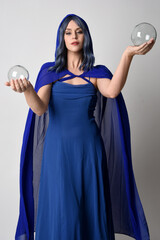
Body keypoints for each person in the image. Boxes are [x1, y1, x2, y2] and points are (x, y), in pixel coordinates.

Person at [5, 14, 154, 240]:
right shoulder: (50, 72)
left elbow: (113, 90)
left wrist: (127, 55)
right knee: (61, 212)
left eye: (79, 31)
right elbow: (39, 108)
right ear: (61, 38)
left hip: (89, 152)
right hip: (58, 153)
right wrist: (27, 89)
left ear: (86, 36)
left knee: (90, 211)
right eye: (68, 32)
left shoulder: (97, 72)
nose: (74, 36)